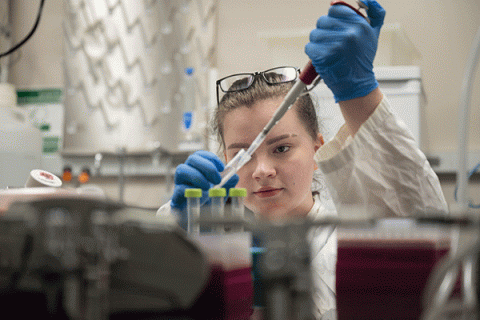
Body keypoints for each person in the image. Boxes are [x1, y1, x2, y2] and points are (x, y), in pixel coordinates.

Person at [157, 0, 448, 318]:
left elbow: (423, 241)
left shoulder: (348, 239)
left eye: (281, 148)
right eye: (242, 154)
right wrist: (179, 244)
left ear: (316, 148)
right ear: (223, 157)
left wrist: (358, 92)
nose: (263, 171)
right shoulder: (204, 236)